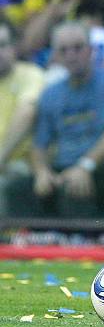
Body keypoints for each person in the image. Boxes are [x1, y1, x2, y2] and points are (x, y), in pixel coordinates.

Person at [5, 21, 104, 218]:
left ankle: (82, 247)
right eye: (63, 50)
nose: (71, 55)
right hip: (63, 170)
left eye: (78, 48)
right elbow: (39, 146)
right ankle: (24, 247)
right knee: (16, 189)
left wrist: (85, 166)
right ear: (55, 55)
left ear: (91, 50)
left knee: (73, 187)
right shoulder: (51, 93)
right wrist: (41, 172)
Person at [0, 18, 44, 216]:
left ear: (14, 46)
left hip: (19, 163)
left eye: (2, 45)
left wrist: (0, 158)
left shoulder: (30, 74)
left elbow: (27, 113)